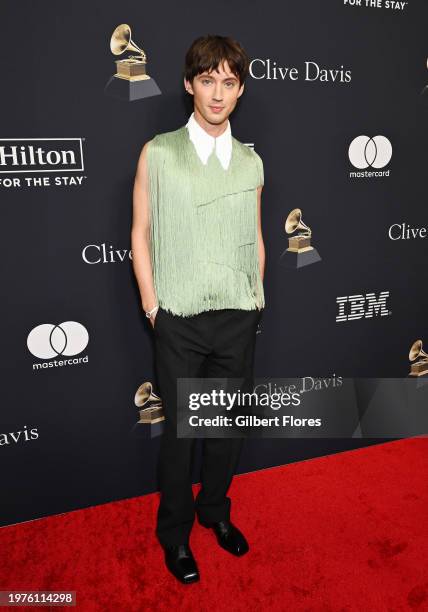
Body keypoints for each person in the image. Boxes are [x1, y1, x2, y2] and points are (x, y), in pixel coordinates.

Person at [131, 34, 266, 584]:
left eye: (228, 82)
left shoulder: (253, 161)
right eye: (207, 80)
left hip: (238, 315)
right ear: (189, 84)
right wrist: (153, 308)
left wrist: (258, 296)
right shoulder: (159, 152)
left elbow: (255, 235)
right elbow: (140, 234)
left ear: (239, 89)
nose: (217, 93)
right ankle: (176, 536)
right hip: (179, 320)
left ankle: (215, 513)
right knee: (182, 436)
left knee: (226, 430)